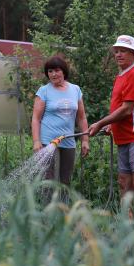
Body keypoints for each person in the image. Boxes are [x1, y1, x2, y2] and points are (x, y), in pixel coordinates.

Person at [88, 35, 134, 218]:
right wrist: (113, 126)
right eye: (117, 51)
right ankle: (128, 224)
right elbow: (121, 107)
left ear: (133, 54)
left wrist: (101, 123)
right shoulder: (121, 75)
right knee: (124, 181)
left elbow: (127, 109)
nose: (118, 54)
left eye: (123, 51)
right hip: (124, 136)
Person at [31, 55, 89, 190]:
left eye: (56, 70)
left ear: (63, 71)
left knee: (65, 183)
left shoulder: (75, 90)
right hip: (48, 142)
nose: (53, 74)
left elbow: (81, 117)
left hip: (69, 142)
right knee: (49, 183)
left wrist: (85, 139)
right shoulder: (44, 91)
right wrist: (36, 141)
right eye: (50, 71)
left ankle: (63, 210)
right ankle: (49, 211)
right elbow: (36, 118)